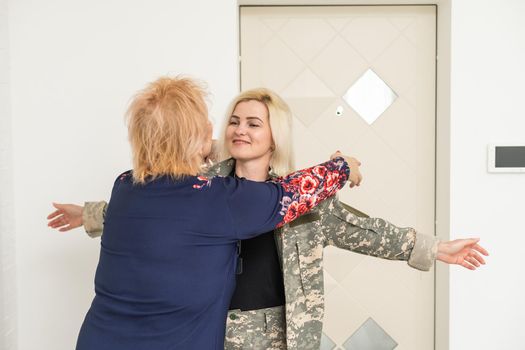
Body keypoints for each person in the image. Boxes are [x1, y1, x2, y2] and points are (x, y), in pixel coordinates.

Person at [49, 88, 488, 350]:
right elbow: (152, 217)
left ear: (275, 134)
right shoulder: (205, 187)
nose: (240, 130)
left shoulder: (302, 200)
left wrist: (433, 247)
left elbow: (363, 230)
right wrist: (89, 214)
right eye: (234, 121)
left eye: (254, 123)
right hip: (213, 335)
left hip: (277, 336)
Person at [67, 77, 353, 350]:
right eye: (204, 123)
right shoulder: (218, 199)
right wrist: (343, 166)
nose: (211, 126)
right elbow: (294, 192)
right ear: (192, 137)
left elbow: (162, 197)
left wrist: (87, 214)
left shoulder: (126, 186)